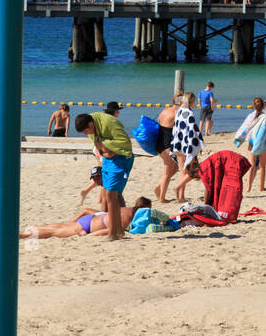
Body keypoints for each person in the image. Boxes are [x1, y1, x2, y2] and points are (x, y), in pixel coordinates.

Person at [74, 109, 134, 240]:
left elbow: (125, 143)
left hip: (122, 159)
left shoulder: (109, 122)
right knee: (112, 194)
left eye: (86, 132)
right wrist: (106, 151)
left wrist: (106, 147)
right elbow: (100, 148)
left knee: (110, 195)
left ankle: (112, 233)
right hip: (108, 160)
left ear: (90, 125)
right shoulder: (92, 128)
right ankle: (119, 231)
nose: (86, 135)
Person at [20, 198, 150, 241]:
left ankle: (35, 229)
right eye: (148, 209)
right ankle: (26, 235)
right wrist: (89, 236)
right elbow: (109, 230)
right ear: (143, 208)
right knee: (54, 232)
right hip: (88, 227)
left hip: (91, 219)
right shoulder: (128, 217)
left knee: (60, 227)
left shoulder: (126, 209)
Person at [245, 100, 266, 195]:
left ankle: (248, 187)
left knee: (252, 165)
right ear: (263, 106)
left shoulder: (250, 116)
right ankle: (261, 187)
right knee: (262, 166)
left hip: (252, 142)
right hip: (262, 142)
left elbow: (245, 128)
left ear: (253, 106)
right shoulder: (265, 117)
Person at [153, 98, 180, 202]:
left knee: (175, 168)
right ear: (180, 103)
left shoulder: (165, 110)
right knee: (167, 173)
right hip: (166, 146)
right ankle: (162, 198)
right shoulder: (176, 114)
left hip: (159, 143)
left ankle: (158, 188)